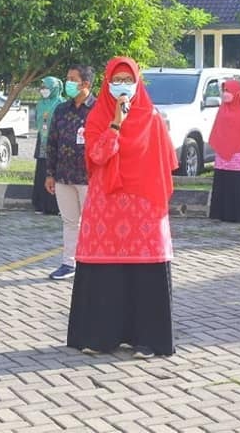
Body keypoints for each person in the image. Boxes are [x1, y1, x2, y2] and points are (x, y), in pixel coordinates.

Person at [66, 56, 178, 358]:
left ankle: (147, 340)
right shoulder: (97, 117)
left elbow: (163, 165)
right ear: (106, 83)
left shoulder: (152, 118)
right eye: (116, 81)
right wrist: (116, 122)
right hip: (107, 205)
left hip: (143, 207)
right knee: (106, 272)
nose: (122, 87)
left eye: (128, 80)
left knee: (144, 272)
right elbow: (98, 155)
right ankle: (100, 336)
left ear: (138, 82)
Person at [44, 65, 96, 280]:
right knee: (69, 221)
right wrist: (50, 173)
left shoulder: (99, 109)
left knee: (92, 222)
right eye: (67, 78)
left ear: (86, 83)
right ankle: (68, 263)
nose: (68, 83)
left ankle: (93, 263)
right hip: (64, 176)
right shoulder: (61, 109)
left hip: (89, 178)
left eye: (72, 79)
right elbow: (52, 142)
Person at [208, 79, 240, 223]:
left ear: (236, 93)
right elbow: (217, 130)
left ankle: (238, 215)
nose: (225, 94)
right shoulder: (222, 109)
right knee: (223, 181)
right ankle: (221, 213)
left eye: (228, 91)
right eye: (224, 91)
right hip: (223, 154)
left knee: (237, 182)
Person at [31, 76, 65, 215]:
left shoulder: (61, 103)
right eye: (42, 87)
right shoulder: (40, 104)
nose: (44, 90)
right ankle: (40, 205)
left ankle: (56, 207)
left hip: (57, 140)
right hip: (42, 140)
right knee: (42, 171)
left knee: (54, 172)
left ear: (55, 88)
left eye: (47, 87)